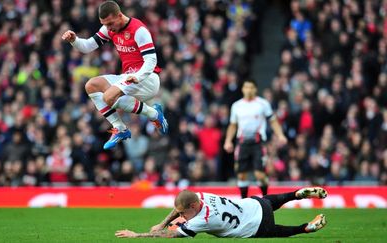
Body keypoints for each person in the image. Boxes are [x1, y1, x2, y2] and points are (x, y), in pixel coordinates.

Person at [62, 0, 168, 150]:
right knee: (91, 86)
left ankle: (153, 114)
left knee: (108, 97)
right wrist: (74, 40)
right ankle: (120, 128)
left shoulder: (139, 30)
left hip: (147, 79)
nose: (108, 28)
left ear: (120, 15)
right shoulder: (109, 28)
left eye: (110, 23)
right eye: (105, 24)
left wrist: (138, 76)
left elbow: (151, 60)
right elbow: (87, 47)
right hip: (128, 77)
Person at [115, 187, 328, 238]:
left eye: (183, 213)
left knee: (279, 231)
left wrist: (139, 235)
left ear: (192, 208)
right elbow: (180, 205)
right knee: (273, 201)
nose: (181, 216)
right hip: (254, 205)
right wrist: (162, 222)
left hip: (254, 226)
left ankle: (306, 228)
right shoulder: (201, 195)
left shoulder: (202, 222)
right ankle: (297, 194)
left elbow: (171, 235)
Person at [223, 79, 288, 198]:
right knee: (242, 174)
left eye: (251, 87)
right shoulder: (236, 106)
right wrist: (228, 140)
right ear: (242, 89)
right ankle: (243, 201)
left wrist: (280, 135)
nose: (249, 90)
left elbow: (272, 121)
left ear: (255, 89)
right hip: (242, 143)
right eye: (246, 87)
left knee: (260, 175)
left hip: (258, 143)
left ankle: (265, 198)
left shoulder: (262, 104)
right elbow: (233, 125)